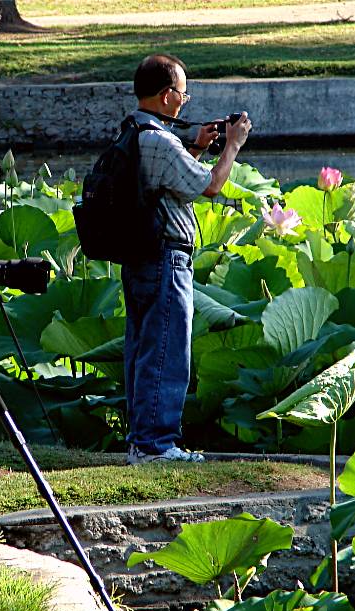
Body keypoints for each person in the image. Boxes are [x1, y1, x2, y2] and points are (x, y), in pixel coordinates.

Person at [124, 54, 251, 465]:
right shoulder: (160, 140)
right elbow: (211, 186)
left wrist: (195, 146)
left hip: (140, 257)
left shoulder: (134, 132)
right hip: (165, 259)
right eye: (182, 93)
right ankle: (157, 446)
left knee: (144, 349)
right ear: (166, 96)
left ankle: (141, 440)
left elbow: (171, 184)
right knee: (167, 350)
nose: (185, 100)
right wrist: (231, 145)